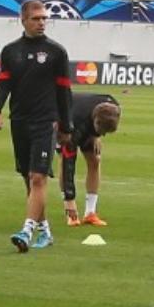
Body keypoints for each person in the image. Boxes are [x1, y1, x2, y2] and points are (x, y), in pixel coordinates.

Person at [0, 0, 72, 252]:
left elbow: (64, 92)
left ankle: (26, 231)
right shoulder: (10, 51)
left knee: (38, 177)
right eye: (36, 19)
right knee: (29, 177)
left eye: (44, 18)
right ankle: (44, 230)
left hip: (45, 122)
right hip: (20, 121)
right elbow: (2, 84)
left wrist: (66, 126)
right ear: (23, 20)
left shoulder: (57, 52)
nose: (42, 23)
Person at [59, 92, 121, 226]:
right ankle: (70, 211)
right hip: (64, 123)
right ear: (95, 121)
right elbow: (68, 161)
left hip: (88, 124)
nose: (103, 135)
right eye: (101, 131)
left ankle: (90, 213)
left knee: (95, 159)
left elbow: (103, 121)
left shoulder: (114, 107)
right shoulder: (76, 123)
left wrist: (96, 135)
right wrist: (69, 198)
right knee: (65, 161)